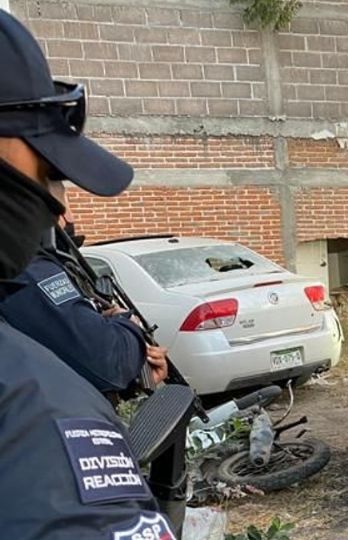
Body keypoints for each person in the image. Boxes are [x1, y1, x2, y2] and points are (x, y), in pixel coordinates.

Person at [0, 10, 176, 539]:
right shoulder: (36, 409)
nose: (56, 206)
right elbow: (95, 353)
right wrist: (126, 337)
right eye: (50, 171)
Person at [0, 180, 169, 391]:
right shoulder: (26, 269)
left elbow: (58, 357)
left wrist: (134, 377)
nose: (70, 217)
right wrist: (128, 325)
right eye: (65, 203)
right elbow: (108, 362)